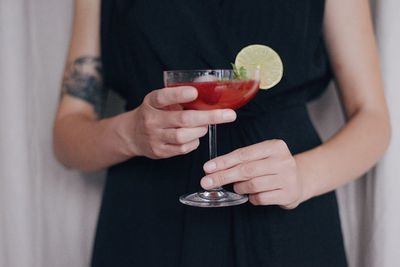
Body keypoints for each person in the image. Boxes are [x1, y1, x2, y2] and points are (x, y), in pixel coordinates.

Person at [53, 0, 391, 266]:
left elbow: (373, 118)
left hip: (284, 216)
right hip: (149, 218)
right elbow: (67, 137)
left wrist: (304, 176)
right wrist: (129, 134)